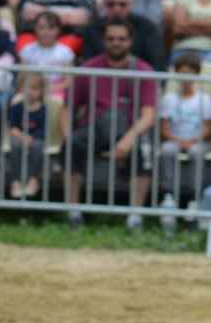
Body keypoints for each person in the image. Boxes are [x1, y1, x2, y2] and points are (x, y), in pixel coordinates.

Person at [64, 18, 158, 230]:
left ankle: (135, 216)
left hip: (132, 128)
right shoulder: (89, 68)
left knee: (145, 149)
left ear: (130, 42)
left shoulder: (144, 70)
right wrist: (66, 134)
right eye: (111, 39)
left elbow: (148, 115)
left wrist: (128, 139)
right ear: (104, 41)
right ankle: (73, 211)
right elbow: (67, 105)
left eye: (121, 39)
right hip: (96, 128)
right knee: (71, 145)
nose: (116, 43)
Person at [157, 51, 211, 203]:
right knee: (167, 150)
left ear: (197, 74)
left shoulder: (205, 99)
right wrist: (178, 141)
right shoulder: (168, 99)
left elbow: (208, 128)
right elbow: (164, 129)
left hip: (197, 142)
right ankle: (168, 194)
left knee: (196, 152)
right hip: (174, 141)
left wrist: (193, 140)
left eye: (190, 73)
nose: (186, 78)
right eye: (182, 73)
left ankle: (195, 196)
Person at [81, 0, 167, 71]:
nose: (116, 9)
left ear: (131, 4)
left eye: (122, 4)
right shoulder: (92, 29)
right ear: (103, 5)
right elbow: (88, 66)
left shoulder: (147, 28)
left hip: (137, 83)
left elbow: (157, 65)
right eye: (111, 4)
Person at [6, 70, 60, 199]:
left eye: (35, 89)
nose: (30, 92)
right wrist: (22, 137)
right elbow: (12, 127)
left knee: (37, 147)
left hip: (37, 139)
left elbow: (43, 130)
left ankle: (33, 180)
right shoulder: (16, 107)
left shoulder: (43, 109)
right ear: (20, 88)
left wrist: (31, 138)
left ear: (41, 91)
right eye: (27, 88)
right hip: (19, 137)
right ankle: (16, 181)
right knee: (16, 146)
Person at [19, 11, 75, 101]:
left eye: (51, 28)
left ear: (58, 30)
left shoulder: (66, 52)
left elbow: (68, 81)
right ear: (35, 28)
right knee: (17, 100)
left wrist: (51, 89)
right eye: (41, 28)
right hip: (30, 89)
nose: (46, 32)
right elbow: (21, 78)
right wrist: (33, 89)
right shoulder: (27, 50)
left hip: (56, 90)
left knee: (56, 102)